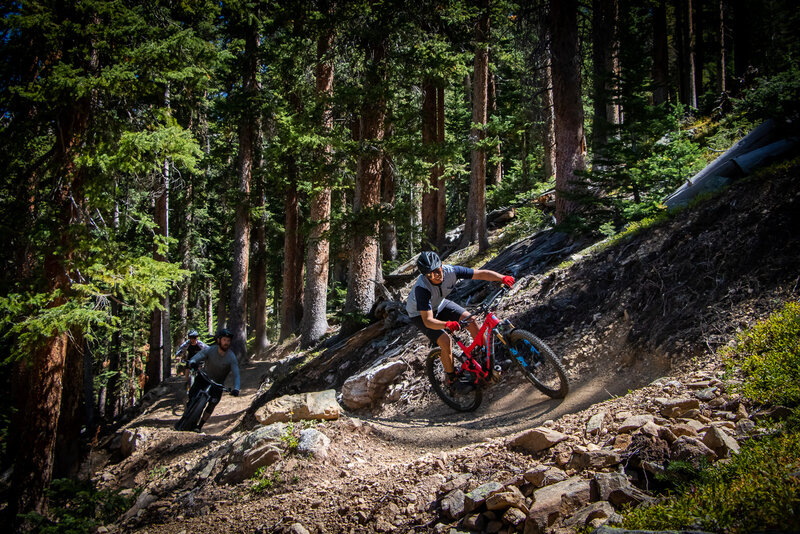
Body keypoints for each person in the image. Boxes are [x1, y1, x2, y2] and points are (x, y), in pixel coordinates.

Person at [406, 251, 514, 391]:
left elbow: (480, 274)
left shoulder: (451, 271)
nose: (435, 276)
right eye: (430, 275)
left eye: (437, 271)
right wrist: (447, 324)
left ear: (441, 266)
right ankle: (451, 380)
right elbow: (428, 321)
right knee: (445, 341)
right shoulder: (422, 289)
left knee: (471, 320)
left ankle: (487, 362)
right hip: (419, 315)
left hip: (439, 304)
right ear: (424, 275)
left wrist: (502, 278)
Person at [179, 327, 241, 432]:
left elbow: (236, 374)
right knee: (192, 395)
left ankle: (200, 426)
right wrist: (193, 362)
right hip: (204, 377)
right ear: (219, 340)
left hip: (218, 384)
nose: (226, 343)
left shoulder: (231, 357)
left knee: (212, 405)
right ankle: (186, 416)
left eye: (228, 341)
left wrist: (236, 388)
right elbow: (198, 356)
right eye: (224, 340)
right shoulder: (211, 350)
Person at [174, 330, 208, 394]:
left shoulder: (200, 344)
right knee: (187, 370)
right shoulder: (187, 344)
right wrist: (178, 356)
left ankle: (203, 387)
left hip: (199, 360)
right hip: (190, 359)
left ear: (197, 337)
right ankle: (186, 385)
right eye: (190, 338)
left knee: (202, 373)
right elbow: (181, 350)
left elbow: (208, 350)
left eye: (194, 337)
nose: (192, 340)